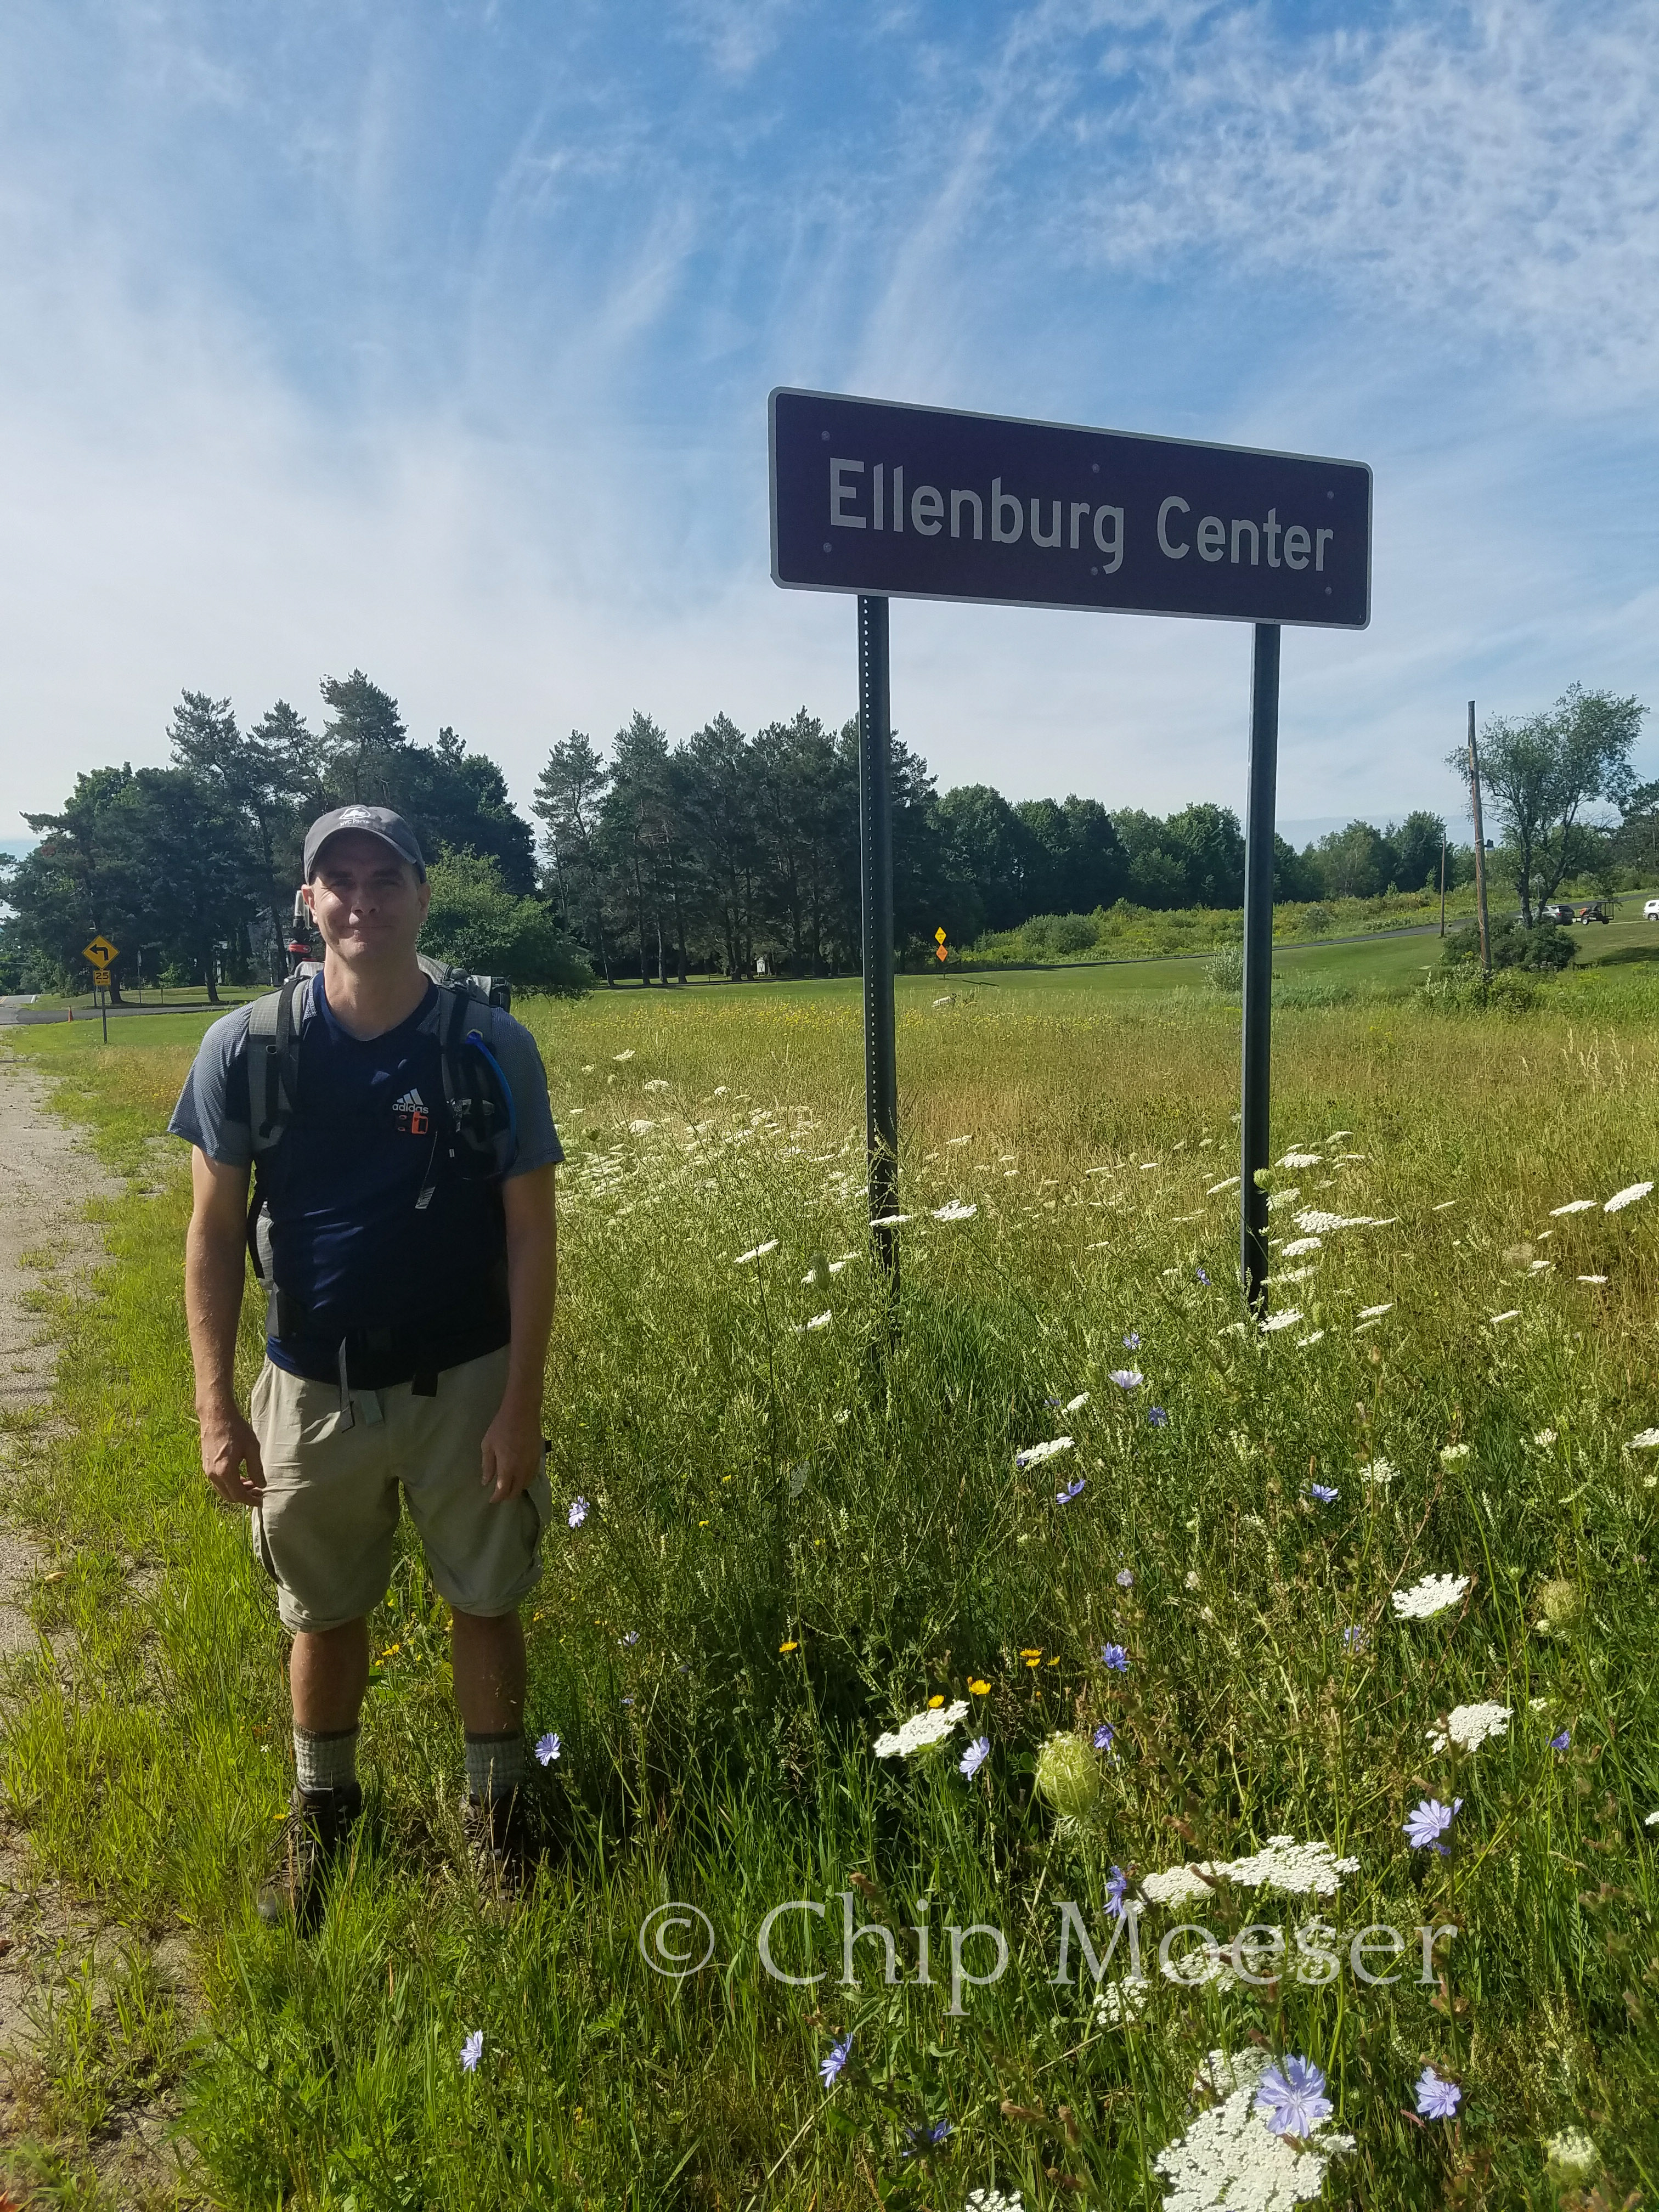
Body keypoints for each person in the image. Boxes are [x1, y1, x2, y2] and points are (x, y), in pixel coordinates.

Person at [169, 804, 563, 1926]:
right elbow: (211, 1230)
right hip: (311, 1385)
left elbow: (532, 1229)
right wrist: (216, 1405)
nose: (361, 901)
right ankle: (325, 1812)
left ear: (422, 896)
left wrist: (521, 1403)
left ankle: (498, 1817)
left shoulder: (489, 1044)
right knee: (322, 1612)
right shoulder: (249, 1047)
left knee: (485, 1601)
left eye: (384, 879)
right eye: (337, 880)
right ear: (309, 904)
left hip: (467, 1380)